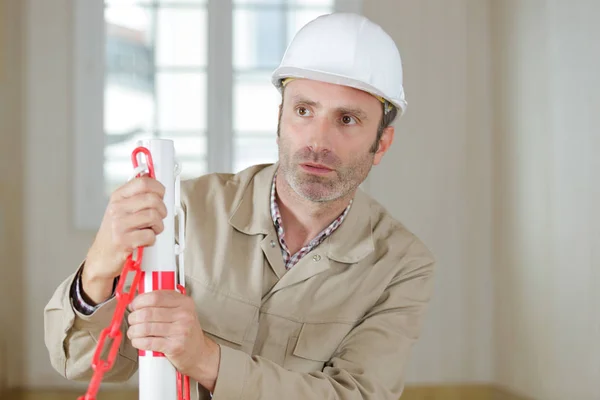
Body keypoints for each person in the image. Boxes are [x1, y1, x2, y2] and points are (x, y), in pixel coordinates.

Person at [44, 12, 435, 400]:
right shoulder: (184, 210)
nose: (318, 140)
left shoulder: (401, 264)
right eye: (303, 110)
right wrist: (98, 267)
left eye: (347, 119)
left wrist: (205, 360)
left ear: (381, 143)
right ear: (280, 116)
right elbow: (83, 364)